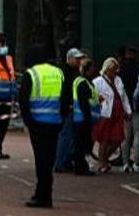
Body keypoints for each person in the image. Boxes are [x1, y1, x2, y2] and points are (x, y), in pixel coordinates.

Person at [18, 45, 71, 209]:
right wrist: (60, 118)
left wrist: (28, 121)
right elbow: (65, 98)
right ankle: (45, 193)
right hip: (54, 122)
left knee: (41, 160)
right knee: (49, 159)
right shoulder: (58, 73)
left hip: (37, 123)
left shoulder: (31, 74)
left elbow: (23, 100)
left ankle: (42, 195)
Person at [93, 56, 133, 173]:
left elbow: (124, 96)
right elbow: (93, 97)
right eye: (112, 70)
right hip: (105, 114)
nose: (114, 72)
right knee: (104, 140)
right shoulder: (97, 82)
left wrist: (128, 111)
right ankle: (102, 163)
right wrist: (99, 101)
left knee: (117, 139)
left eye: (116, 69)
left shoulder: (118, 80)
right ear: (106, 69)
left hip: (118, 114)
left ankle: (104, 159)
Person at [54, 47, 86, 172]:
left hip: (72, 108)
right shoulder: (65, 73)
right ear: (70, 59)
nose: (79, 61)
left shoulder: (74, 72)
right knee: (65, 135)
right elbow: (64, 91)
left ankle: (66, 161)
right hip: (67, 108)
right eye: (77, 59)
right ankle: (61, 162)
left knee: (70, 136)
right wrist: (67, 104)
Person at [71, 58, 99, 176]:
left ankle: (80, 166)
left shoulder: (81, 81)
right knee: (82, 144)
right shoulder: (83, 83)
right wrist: (88, 118)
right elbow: (84, 102)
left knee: (81, 144)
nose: (94, 70)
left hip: (81, 118)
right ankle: (81, 167)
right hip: (84, 119)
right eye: (92, 67)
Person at [117, 46, 139, 172]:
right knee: (138, 135)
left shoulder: (120, 69)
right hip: (137, 107)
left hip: (125, 107)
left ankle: (125, 162)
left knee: (126, 137)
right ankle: (137, 162)